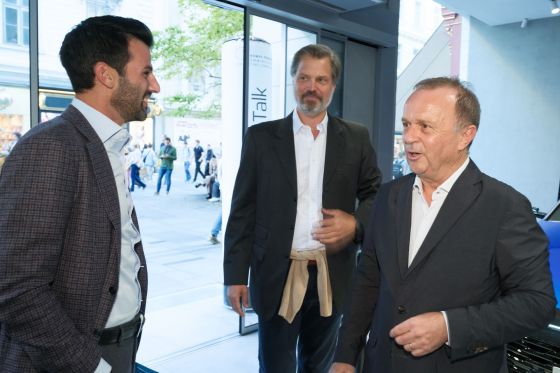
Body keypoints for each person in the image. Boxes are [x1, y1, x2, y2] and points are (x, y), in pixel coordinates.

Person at [330, 77, 556, 373]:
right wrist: (345, 355)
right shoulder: (389, 196)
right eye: (407, 123)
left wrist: (449, 327)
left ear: (465, 136)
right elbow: (368, 280)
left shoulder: (506, 207)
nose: (409, 137)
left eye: (425, 126)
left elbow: (536, 304)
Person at [0, 15, 160, 373]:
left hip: (117, 349)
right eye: (146, 72)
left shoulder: (107, 146)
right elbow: (17, 289)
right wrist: (92, 367)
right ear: (106, 75)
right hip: (74, 361)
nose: (155, 85)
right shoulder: (49, 147)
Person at [224, 44, 382, 373]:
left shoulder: (355, 138)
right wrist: (235, 276)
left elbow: (375, 194)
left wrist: (355, 223)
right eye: (304, 78)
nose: (312, 87)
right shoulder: (261, 138)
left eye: (321, 79)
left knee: (318, 364)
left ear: (333, 86)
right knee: (275, 366)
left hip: (331, 276)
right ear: (293, 81)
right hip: (275, 276)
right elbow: (243, 211)